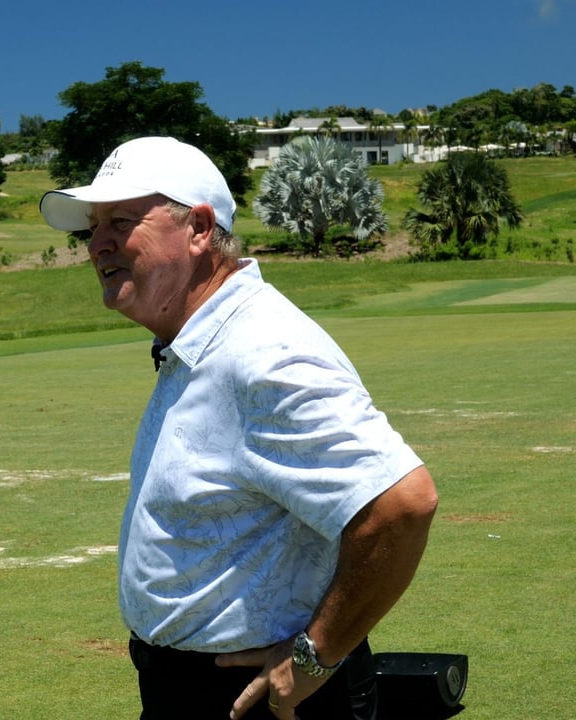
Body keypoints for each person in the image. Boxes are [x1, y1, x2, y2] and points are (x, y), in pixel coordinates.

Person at [40, 137, 438, 720]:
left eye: (121, 220)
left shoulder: (264, 352)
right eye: (92, 228)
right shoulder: (195, 341)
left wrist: (313, 658)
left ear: (199, 228)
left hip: (261, 702)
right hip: (189, 688)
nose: (98, 244)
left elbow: (402, 504)